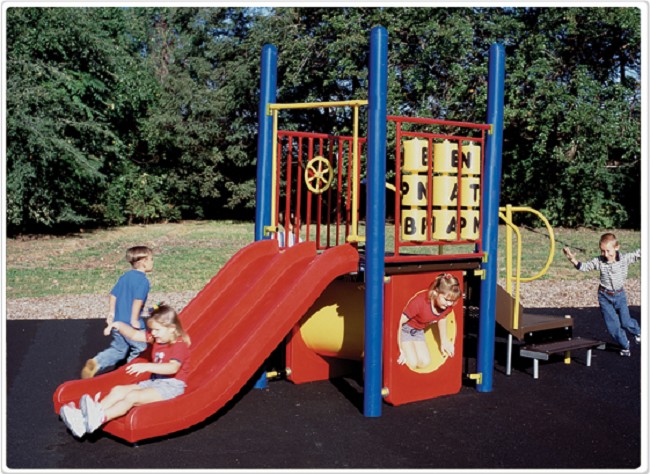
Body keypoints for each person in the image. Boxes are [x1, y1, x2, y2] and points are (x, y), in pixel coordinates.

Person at [60, 304, 191, 438]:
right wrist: (118, 325)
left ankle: (99, 418)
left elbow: (172, 368)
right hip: (155, 382)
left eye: (157, 330)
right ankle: (85, 418)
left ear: (172, 328)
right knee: (118, 390)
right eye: (152, 330)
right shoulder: (157, 338)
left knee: (132, 396)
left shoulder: (179, 346)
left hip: (172, 387)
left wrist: (147, 366)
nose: (153, 333)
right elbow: (134, 334)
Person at [81, 246, 154, 379]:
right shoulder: (143, 281)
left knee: (119, 349)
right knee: (142, 349)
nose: (152, 262)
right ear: (143, 261)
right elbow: (138, 301)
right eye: (151, 259)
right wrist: (134, 319)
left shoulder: (125, 277)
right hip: (130, 325)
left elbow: (113, 295)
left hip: (117, 322)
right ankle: (128, 373)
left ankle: (97, 362)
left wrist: (111, 313)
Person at [563, 232, 641, 356]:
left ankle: (638, 331)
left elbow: (639, 253)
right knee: (613, 326)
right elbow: (585, 267)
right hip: (604, 296)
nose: (606, 254)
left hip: (620, 295)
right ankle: (625, 345)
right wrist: (573, 259)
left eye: (608, 251)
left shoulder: (625, 259)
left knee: (625, 322)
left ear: (616, 247)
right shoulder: (599, 261)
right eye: (602, 251)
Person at [397, 273, 462, 369]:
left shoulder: (446, 307)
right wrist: (399, 349)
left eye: (452, 301)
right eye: (446, 299)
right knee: (412, 362)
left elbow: (442, 317)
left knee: (425, 362)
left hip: (418, 331)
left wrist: (444, 341)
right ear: (436, 292)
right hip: (404, 330)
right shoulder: (419, 303)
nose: (449, 303)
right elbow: (398, 323)